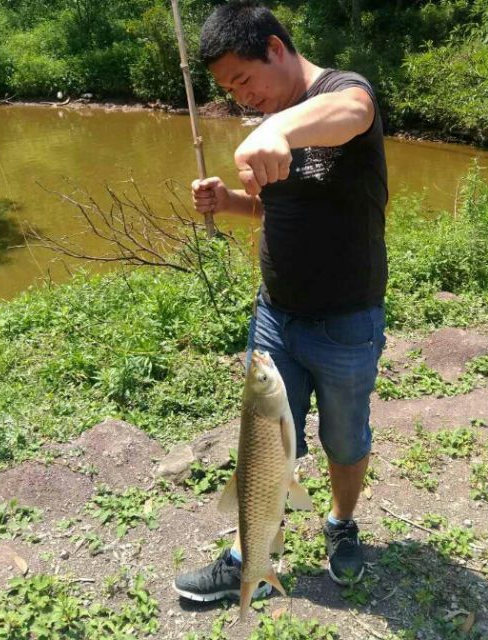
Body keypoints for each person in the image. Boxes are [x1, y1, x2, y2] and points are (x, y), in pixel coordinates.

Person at [173, 0, 388, 604]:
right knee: (263, 442)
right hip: (275, 316)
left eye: (244, 79)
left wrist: (278, 129)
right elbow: (275, 210)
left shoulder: (342, 93)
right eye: (229, 90)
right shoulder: (270, 120)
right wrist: (229, 202)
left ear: (275, 47)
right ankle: (251, 557)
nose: (243, 97)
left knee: (345, 441)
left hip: (347, 320)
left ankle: (341, 524)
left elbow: (354, 110)